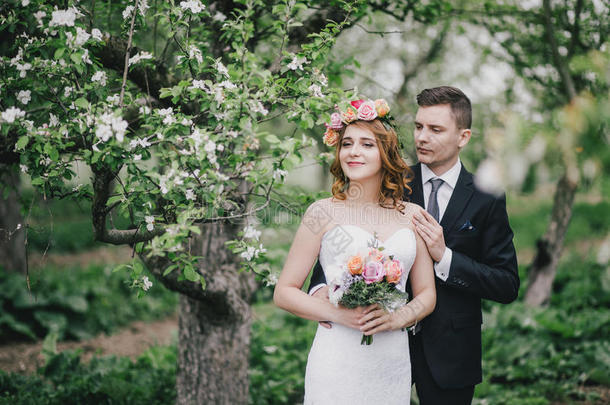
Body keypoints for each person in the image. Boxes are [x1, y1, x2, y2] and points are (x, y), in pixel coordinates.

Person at [309, 86, 520, 404]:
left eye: (435, 129)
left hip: (451, 352)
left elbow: (506, 284)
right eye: (419, 127)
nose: (422, 137)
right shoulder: (387, 181)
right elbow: (340, 240)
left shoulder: (486, 197)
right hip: (376, 345)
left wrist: (445, 257)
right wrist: (319, 288)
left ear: (463, 137)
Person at [273, 98, 436, 405]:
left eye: (366, 144)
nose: (353, 152)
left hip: (391, 360)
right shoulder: (321, 212)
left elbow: (427, 294)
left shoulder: (412, 216)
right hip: (337, 358)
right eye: (347, 143)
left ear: (385, 152)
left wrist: (396, 318)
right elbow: (284, 292)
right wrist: (339, 314)